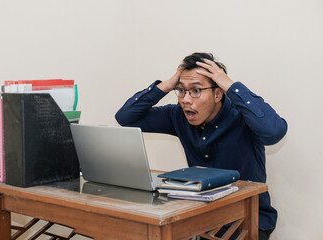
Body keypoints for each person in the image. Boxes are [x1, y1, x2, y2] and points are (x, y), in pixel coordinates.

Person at [115, 52, 287, 240]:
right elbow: (125, 117)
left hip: (246, 219)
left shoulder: (243, 117)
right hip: (200, 218)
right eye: (181, 90)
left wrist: (231, 86)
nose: (186, 99)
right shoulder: (177, 116)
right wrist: (168, 84)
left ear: (218, 93)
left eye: (196, 90)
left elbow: (273, 132)